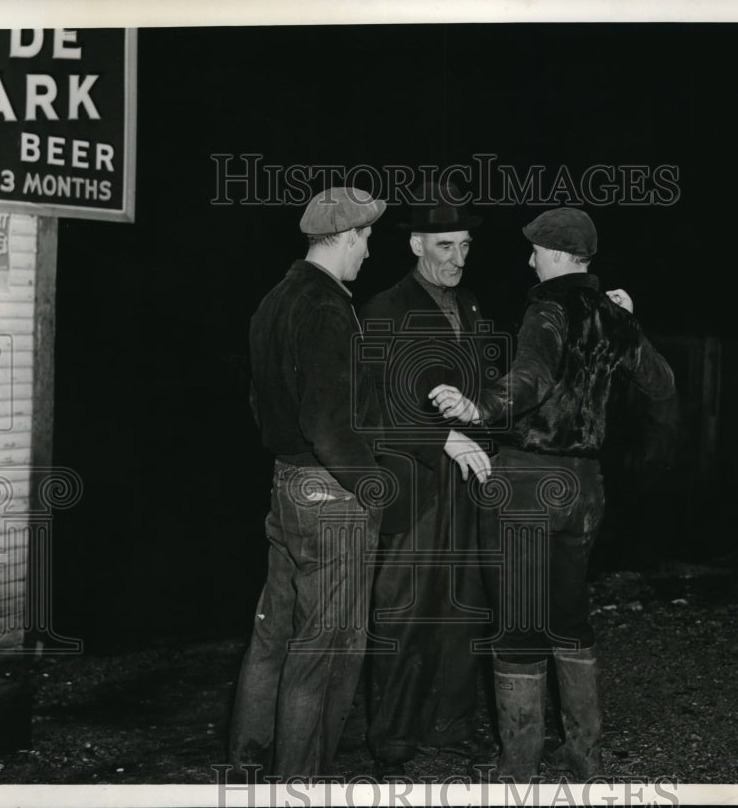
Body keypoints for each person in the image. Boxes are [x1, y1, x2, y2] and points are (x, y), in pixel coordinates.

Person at [430, 208, 675, 781]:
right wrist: (628, 326)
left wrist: (478, 408)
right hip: (585, 487)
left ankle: (518, 766)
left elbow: (532, 377)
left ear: (557, 254)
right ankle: (583, 756)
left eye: (536, 250)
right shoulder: (614, 315)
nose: (529, 259)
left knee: (518, 623)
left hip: (525, 483)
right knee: (569, 617)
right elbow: (661, 386)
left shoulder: (546, 307)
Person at [229, 186, 388, 778]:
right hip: (330, 495)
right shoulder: (326, 307)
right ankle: (300, 784)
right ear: (346, 237)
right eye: (366, 239)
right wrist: (371, 489)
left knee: (272, 639)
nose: (368, 252)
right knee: (325, 653)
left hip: (287, 486)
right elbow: (327, 422)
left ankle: (249, 766)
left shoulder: (274, 300)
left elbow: (258, 398)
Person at [359, 182, 494, 778]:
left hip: (465, 489)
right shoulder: (383, 310)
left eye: (465, 245)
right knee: (403, 612)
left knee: (462, 610)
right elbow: (369, 412)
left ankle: (452, 727)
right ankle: (392, 738)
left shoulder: (470, 308)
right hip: (411, 489)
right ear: (415, 244)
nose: (457, 258)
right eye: (444, 245)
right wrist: (439, 432)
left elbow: (487, 390)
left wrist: (478, 405)